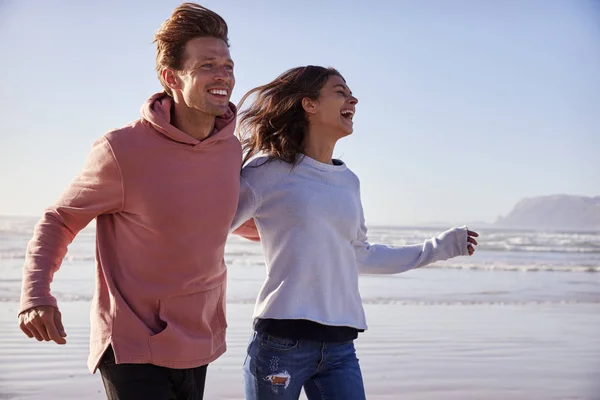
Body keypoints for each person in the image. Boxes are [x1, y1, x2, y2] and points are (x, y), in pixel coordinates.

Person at [18, 3, 241, 399]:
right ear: (171, 77)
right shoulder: (122, 149)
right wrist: (36, 294)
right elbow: (59, 219)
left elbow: (232, 217)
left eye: (227, 64)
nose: (223, 75)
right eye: (207, 65)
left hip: (199, 340)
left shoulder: (230, 150)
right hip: (132, 344)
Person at [231, 65, 479, 400]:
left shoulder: (348, 181)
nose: (354, 100)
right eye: (340, 92)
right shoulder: (267, 170)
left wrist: (440, 247)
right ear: (309, 104)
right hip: (281, 343)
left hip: (340, 347)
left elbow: (360, 254)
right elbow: (210, 227)